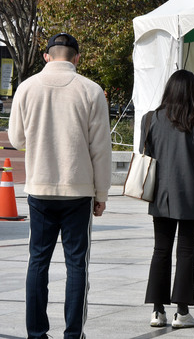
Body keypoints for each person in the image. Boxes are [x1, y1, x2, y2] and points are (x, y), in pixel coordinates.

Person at [9, 33, 111, 339]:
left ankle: (36, 333)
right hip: (78, 189)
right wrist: (101, 193)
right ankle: (73, 333)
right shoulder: (91, 91)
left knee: (37, 262)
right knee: (76, 264)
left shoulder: (27, 88)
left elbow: (16, 139)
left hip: (39, 189)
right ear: (76, 58)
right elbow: (101, 149)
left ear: (46, 57)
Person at [142, 70, 194, 329]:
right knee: (186, 252)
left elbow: (145, 153)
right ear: (191, 92)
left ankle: (157, 310)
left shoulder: (150, 119)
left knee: (160, 250)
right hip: (190, 195)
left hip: (160, 194)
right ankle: (182, 312)